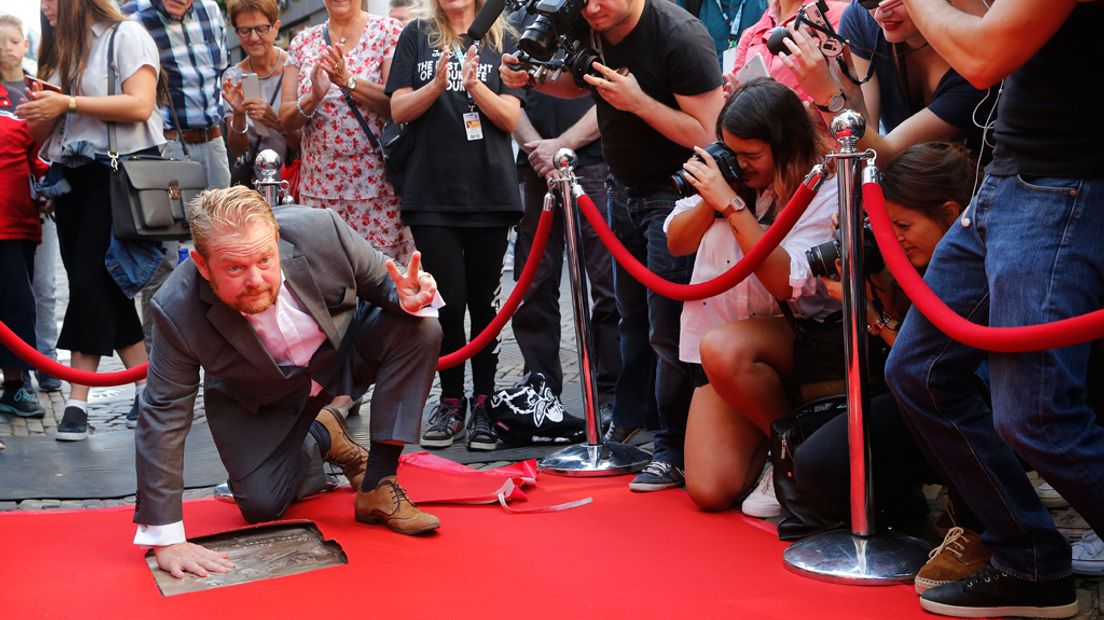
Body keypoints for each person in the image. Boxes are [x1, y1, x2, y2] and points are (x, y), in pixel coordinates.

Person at [883, 1, 1104, 617]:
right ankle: (1029, 561)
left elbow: (983, 57)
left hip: (1061, 185)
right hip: (1011, 180)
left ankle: (1029, 560)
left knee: (1037, 417)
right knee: (918, 374)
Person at [134, 186, 444, 579]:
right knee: (261, 504)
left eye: (265, 260)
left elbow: (386, 285)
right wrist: (167, 539)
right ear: (202, 264)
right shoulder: (177, 308)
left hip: (343, 358)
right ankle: (323, 435)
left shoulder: (321, 232)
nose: (255, 280)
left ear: (277, 241)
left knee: (420, 327)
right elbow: (163, 414)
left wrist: (412, 297)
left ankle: (378, 482)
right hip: (261, 399)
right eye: (234, 269)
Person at [500, 0, 725, 491]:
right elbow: (580, 82)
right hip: (622, 189)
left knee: (670, 326)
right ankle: (631, 420)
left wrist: (638, 101)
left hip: (677, 192)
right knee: (633, 318)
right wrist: (531, 78)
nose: (592, 7)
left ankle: (674, 446)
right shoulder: (589, 18)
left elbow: (711, 133)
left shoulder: (679, 35)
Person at [791, 142, 996, 592]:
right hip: (919, 400)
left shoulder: (980, 259)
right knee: (818, 465)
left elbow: (930, 361)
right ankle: (913, 515)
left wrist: (872, 314)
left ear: (950, 211)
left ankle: (982, 526)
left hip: (979, 404)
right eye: (886, 225)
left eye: (902, 225)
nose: (893, 237)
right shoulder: (914, 258)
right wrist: (876, 273)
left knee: (924, 386)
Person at [668, 79, 837, 514]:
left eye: (751, 156)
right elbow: (676, 241)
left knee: (721, 347)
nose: (738, 166)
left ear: (786, 146)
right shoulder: (728, 179)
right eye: (731, 153)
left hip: (805, 337)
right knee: (709, 490)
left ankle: (790, 456)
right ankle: (780, 443)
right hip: (729, 350)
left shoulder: (824, 182)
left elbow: (785, 283)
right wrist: (713, 199)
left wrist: (734, 208)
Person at [17, 0, 162, 441]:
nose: (44, 7)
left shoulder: (127, 34)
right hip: (70, 181)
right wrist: (41, 111)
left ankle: (77, 403)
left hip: (117, 174)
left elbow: (140, 105)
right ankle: (147, 391)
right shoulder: (60, 49)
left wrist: (69, 102)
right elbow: (47, 131)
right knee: (108, 287)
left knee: (86, 283)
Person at [387, 0, 524, 451]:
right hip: (432, 192)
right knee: (446, 303)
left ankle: (484, 401)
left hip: (489, 191)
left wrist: (473, 86)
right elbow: (398, 109)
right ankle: (450, 401)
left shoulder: (505, 36)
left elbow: (510, 117)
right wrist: (436, 87)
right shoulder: (417, 34)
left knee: (485, 305)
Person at [509, 7, 619, 418]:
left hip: (593, 159)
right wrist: (540, 149)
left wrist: (565, 144)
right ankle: (539, 386)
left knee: (607, 283)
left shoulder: (594, 13)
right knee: (533, 283)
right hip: (535, 161)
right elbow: (508, 96)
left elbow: (614, 85)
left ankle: (612, 394)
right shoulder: (518, 19)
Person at [779, 0, 991, 163]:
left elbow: (883, 155)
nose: (881, 11)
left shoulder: (974, 64)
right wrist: (850, 89)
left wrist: (827, 95)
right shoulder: (862, 19)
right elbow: (865, 142)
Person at [279, 0, 409, 263]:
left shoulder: (388, 31)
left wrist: (347, 81)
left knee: (383, 279)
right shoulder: (302, 42)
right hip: (319, 191)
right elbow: (286, 120)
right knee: (327, 279)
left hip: (377, 189)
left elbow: (397, 105)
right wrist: (314, 97)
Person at [123, 0, 231, 190]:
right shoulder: (132, 18)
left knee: (222, 216)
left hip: (214, 141)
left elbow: (221, 71)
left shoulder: (210, 9)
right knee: (176, 217)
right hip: (169, 144)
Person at [0, 13, 48, 419]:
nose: (6, 48)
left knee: (18, 303)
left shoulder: (37, 92)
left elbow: (41, 156)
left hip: (17, 218)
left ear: (25, 44)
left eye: (12, 40)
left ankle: (16, 384)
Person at [222, 0, 300, 189]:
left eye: (261, 29)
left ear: (276, 27)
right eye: (245, 30)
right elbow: (237, 148)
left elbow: (304, 145)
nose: (254, 37)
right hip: (256, 184)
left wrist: (276, 123)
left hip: (295, 179)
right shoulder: (235, 77)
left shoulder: (294, 67)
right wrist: (239, 115)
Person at [727, 0, 846, 101]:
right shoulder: (750, 35)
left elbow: (849, 90)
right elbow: (736, 89)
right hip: (758, 124)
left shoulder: (839, 16)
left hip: (820, 121)